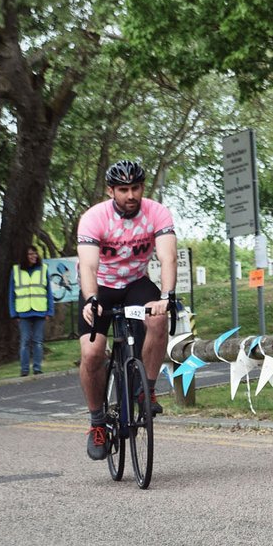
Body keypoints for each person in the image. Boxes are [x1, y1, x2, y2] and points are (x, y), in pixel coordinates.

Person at [76, 159, 178, 460]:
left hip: (136, 283)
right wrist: (92, 298)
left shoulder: (157, 212)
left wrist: (167, 295)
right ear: (111, 191)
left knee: (158, 318)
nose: (130, 195)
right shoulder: (94, 218)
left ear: (142, 188)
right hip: (102, 287)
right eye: (123, 189)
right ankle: (97, 422)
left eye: (135, 188)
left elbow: (167, 256)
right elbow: (88, 265)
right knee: (92, 352)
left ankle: (145, 390)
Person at [9, 245, 54, 377]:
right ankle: (24, 370)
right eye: (30, 254)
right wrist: (14, 313)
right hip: (23, 311)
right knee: (25, 341)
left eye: (35, 253)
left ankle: (37, 368)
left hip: (40, 310)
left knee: (38, 341)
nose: (34, 256)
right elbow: (11, 294)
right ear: (24, 256)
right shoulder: (16, 270)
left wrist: (49, 311)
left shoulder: (43, 269)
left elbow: (49, 292)